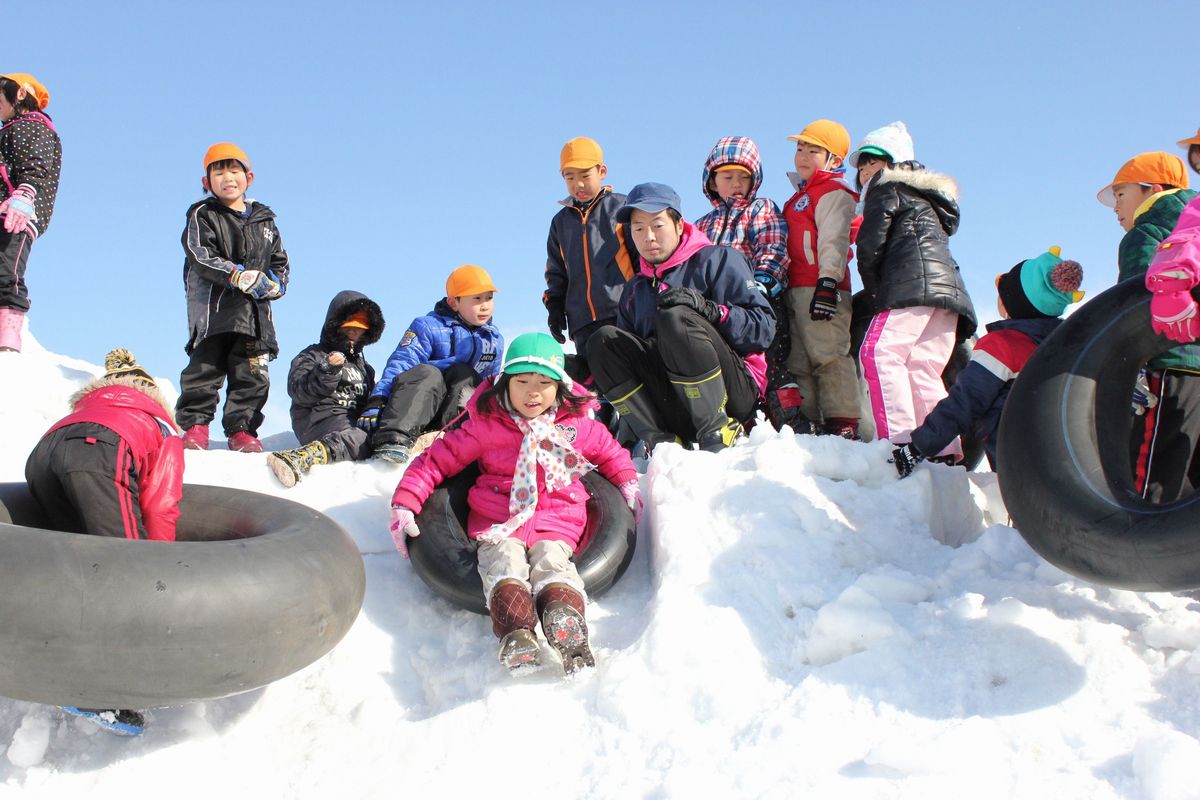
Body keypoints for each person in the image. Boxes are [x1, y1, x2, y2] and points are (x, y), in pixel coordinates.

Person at [388, 333, 639, 674]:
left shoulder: (577, 428)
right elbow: (435, 461)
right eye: (521, 381)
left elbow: (611, 453)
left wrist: (626, 482)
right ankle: (517, 633)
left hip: (557, 520)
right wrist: (405, 502)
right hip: (498, 520)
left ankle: (565, 623)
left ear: (561, 387)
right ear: (504, 383)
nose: (532, 392)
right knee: (502, 562)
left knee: (553, 563)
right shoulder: (485, 427)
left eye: (543, 383)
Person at [26, 347, 184, 736]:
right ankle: (94, 691)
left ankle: (47, 657)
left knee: (75, 561)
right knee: (124, 570)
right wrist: (157, 570)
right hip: (102, 450)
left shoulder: (89, 406)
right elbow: (161, 503)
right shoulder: (160, 424)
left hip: (45, 451)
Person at [584, 183, 774, 452]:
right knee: (602, 340)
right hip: (672, 401)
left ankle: (718, 431)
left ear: (678, 224)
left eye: (657, 225)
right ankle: (661, 441)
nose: (648, 237)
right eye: (638, 228)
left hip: (733, 395)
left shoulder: (718, 260)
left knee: (677, 319)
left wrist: (713, 312)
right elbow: (634, 358)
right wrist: (588, 371)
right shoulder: (635, 289)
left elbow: (763, 328)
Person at [892, 249, 1083, 476]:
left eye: (1002, 293)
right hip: (1063, 460)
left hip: (1017, 463)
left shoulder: (1003, 346)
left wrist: (918, 446)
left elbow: (965, 401)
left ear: (1013, 304)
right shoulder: (1064, 350)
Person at [851, 123, 977, 456]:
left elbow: (870, 245)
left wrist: (876, 293)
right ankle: (943, 448)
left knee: (879, 353)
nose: (866, 170)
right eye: (862, 164)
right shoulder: (928, 201)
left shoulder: (886, 189)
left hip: (909, 287)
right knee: (923, 367)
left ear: (896, 163)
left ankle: (899, 442)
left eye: (874, 161)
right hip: (948, 295)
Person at [176, 142, 289, 454]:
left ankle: (242, 429)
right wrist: (235, 274)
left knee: (252, 374)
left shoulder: (265, 221)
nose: (228, 177)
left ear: (248, 177)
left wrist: (274, 284)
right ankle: (196, 425)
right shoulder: (203, 214)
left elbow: (280, 262)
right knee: (204, 368)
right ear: (206, 182)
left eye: (234, 170)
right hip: (213, 310)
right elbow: (200, 254)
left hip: (255, 316)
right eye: (219, 171)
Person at [1098, 152, 1198, 502]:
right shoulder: (1194, 230)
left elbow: (1137, 303)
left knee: (1150, 471)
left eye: (1121, 194)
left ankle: (1137, 546)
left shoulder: (1146, 233)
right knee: (1188, 471)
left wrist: (1133, 364)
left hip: (1165, 362)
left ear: (1152, 190)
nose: (1115, 207)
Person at [694, 136, 799, 430]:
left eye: (744, 177)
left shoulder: (760, 209)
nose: (737, 183)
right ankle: (739, 419)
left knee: (771, 362)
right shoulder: (702, 225)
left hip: (757, 299)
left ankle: (789, 420)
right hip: (717, 307)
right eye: (728, 177)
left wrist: (764, 280)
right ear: (713, 181)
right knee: (727, 363)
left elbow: (773, 245)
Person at [358, 264, 503, 464]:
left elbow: (490, 384)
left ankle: (453, 442)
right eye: (476, 299)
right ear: (454, 302)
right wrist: (378, 400)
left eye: (489, 298)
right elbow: (402, 363)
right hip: (419, 404)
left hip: (452, 416)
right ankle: (394, 439)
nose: (485, 305)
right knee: (428, 373)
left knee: (467, 377)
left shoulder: (493, 339)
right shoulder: (427, 326)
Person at [782, 119, 862, 438]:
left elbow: (834, 238)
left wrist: (828, 282)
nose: (802, 154)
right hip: (796, 287)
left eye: (813, 150)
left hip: (821, 287)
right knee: (799, 359)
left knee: (828, 354)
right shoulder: (803, 193)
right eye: (800, 147)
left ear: (834, 160)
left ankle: (843, 423)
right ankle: (809, 423)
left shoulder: (833, 190)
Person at [267, 291, 386, 487]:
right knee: (365, 438)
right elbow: (298, 391)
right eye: (350, 329)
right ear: (336, 324)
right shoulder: (312, 355)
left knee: (380, 432)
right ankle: (304, 457)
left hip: (352, 424)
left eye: (361, 330)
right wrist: (327, 370)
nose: (355, 334)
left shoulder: (366, 368)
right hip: (318, 420)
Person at [543, 136, 637, 359]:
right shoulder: (561, 222)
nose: (579, 184)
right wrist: (555, 307)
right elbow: (556, 272)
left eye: (585, 175)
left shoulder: (622, 208)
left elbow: (640, 258)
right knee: (596, 384)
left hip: (623, 313)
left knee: (627, 375)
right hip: (582, 322)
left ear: (601, 171)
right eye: (570, 177)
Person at [0, 73, 62, 353]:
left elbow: (36, 163)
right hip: (5, 206)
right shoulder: (11, 128)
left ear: (20, 94)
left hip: (17, 212)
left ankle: (8, 336)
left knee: (6, 270)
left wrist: (25, 194)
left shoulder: (32, 126)